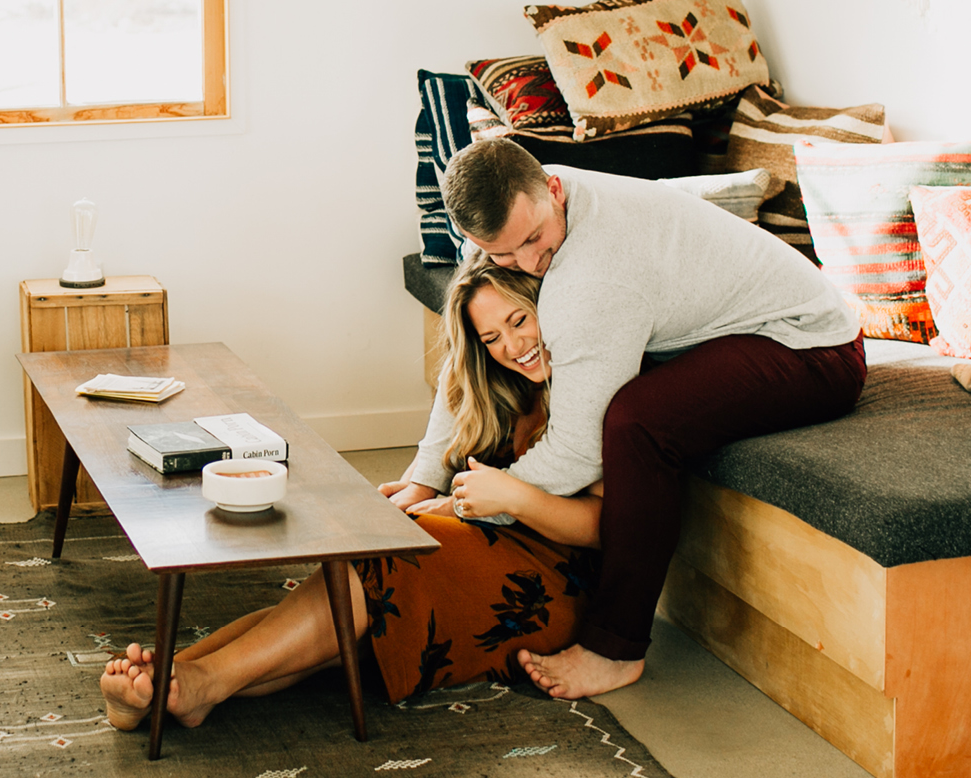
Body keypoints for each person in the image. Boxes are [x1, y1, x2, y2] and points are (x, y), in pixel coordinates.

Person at [391, 136, 865, 701]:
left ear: (554, 188)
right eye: (501, 254)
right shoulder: (517, 209)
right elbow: (465, 355)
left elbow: (577, 452)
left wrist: (472, 503)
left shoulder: (596, 275)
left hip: (808, 347)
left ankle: (615, 648)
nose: (526, 264)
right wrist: (425, 476)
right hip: (719, 327)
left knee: (637, 421)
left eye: (534, 243)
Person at [101, 257, 603, 732]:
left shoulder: (592, 387)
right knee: (358, 584)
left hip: (553, 584)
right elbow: (433, 473)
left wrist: (512, 498)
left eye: (520, 321)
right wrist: (398, 503)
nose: (513, 346)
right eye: (492, 337)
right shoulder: (495, 380)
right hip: (485, 548)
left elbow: (601, 528)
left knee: (385, 568)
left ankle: (194, 682)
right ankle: (169, 680)